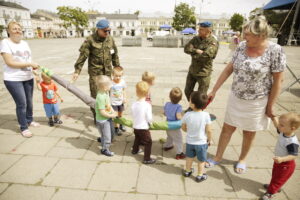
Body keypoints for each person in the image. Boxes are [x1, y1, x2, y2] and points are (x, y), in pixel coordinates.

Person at [205, 16, 286, 174]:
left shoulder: (275, 50)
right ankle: (218, 157)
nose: (243, 37)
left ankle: (242, 159)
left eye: (247, 34)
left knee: (249, 132)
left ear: (260, 35)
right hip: (236, 97)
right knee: (227, 128)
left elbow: (278, 81)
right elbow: (229, 69)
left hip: (258, 100)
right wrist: (214, 90)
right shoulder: (242, 46)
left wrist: (270, 105)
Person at [72, 19, 120, 123]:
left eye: (109, 31)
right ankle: (97, 118)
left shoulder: (110, 39)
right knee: (95, 96)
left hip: (107, 73)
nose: (107, 33)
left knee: (109, 95)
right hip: (95, 75)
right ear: (98, 29)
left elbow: (114, 55)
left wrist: (117, 69)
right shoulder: (90, 40)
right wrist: (77, 71)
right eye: (105, 31)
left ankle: (108, 115)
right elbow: (83, 56)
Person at [0, 21, 40, 138]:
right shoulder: (5, 43)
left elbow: (27, 59)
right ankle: (24, 127)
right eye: (14, 29)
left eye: (19, 28)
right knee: (21, 103)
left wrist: (33, 70)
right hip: (13, 79)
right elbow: (10, 62)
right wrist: (29, 63)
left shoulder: (25, 43)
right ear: (8, 31)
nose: (17, 30)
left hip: (27, 77)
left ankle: (29, 120)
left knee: (29, 102)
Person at [262, 113, 299, 200]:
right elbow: (277, 126)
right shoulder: (284, 132)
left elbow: (294, 155)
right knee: (275, 175)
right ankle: (274, 186)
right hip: (279, 161)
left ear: (292, 128)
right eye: (280, 123)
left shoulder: (291, 142)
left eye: (281, 125)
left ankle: (271, 193)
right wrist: (273, 118)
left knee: (278, 178)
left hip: (286, 165)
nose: (279, 126)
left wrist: (282, 159)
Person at [184, 21, 219, 102]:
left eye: (201, 29)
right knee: (187, 91)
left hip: (204, 73)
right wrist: (196, 50)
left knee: (201, 96)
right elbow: (186, 48)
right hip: (192, 71)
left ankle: (198, 110)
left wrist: (193, 52)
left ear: (208, 31)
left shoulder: (212, 42)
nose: (198, 31)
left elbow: (206, 56)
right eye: (199, 29)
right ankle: (192, 107)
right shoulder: (195, 39)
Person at [181, 91, 212, 182]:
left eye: (190, 101)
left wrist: (188, 130)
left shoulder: (187, 115)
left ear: (193, 105)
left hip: (190, 142)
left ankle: (187, 171)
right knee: (201, 160)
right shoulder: (206, 115)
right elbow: (209, 130)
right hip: (201, 143)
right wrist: (209, 139)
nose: (189, 102)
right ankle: (199, 175)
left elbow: (183, 127)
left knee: (189, 158)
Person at [131, 81, 156, 164]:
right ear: (147, 93)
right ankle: (147, 158)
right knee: (148, 142)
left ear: (136, 92)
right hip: (143, 128)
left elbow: (133, 114)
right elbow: (149, 118)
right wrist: (151, 123)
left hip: (135, 126)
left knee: (137, 138)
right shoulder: (147, 105)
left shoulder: (134, 104)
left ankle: (135, 150)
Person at [95, 75, 117, 157]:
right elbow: (102, 112)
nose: (111, 86)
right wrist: (111, 116)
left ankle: (102, 139)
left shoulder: (105, 92)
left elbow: (108, 104)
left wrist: (112, 111)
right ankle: (105, 149)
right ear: (104, 87)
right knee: (107, 136)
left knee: (111, 133)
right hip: (103, 121)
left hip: (107, 118)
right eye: (109, 85)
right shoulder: (100, 97)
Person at [163, 87, 185, 159]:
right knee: (179, 140)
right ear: (180, 99)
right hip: (174, 126)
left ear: (169, 97)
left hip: (167, 124)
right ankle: (179, 153)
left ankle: (168, 146)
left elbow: (164, 113)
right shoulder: (178, 107)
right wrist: (183, 119)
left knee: (169, 136)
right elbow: (178, 117)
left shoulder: (167, 104)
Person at [110, 66, 127, 135]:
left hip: (120, 102)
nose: (118, 78)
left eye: (120, 76)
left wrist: (125, 98)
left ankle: (121, 124)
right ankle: (116, 128)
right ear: (112, 75)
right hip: (113, 102)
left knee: (120, 114)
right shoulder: (111, 83)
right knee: (115, 115)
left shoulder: (122, 82)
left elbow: (124, 90)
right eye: (116, 76)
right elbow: (107, 91)